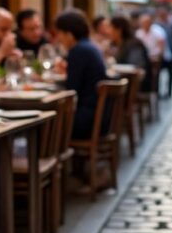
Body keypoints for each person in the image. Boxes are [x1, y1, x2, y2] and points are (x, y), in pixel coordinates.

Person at [54, 9, 109, 140]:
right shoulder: (89, 47)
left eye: (60, 33)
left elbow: (72, 90)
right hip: (99, 117)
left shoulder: (78, 51)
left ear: (69, 34)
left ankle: (54, 158)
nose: (58, 38)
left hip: (86, 121)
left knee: (47, 125)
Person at [110, 15, 153, 92]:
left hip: (137, 86)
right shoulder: (120, 44)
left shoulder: (134, 44)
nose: (108, 31)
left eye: (111, 28)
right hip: (127, 84)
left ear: (119, 30)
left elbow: (135, 67)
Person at [156, 8, 172, 99]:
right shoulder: (156, 25)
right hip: (160, 54)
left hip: (171, 52)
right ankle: (159, 91)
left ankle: (169, 92)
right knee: (158, 74)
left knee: (170, 73)